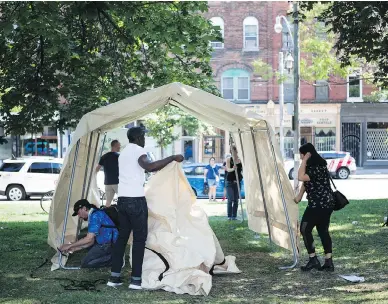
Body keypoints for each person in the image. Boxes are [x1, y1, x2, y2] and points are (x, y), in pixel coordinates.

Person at [107, 126, 184, 290]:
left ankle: (114, 277)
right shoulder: (137, 151)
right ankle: (135, 280)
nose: (144, 139)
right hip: (136, 201)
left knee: (122, 238)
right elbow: (150, 167)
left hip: (122, 200)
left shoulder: (124, 153)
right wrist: (172, 157)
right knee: (139, 240)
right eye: (143, 136)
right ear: (138, 137)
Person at [294, 143, 335, 272]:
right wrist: (299, 196)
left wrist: (305, 160)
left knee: (305, 229)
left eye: (302, 155)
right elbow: (307, 183)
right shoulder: (319, 165)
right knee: (323, 231)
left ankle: (313, 259)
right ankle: (328, 262)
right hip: (326, 204)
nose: (301, 158)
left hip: (318, 204)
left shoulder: (316, 167)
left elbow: (300, 177)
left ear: (307, 154)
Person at [58, 199, 118, 268]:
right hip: (105, 241)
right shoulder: (94, 214)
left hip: (109, 244)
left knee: (86, 263)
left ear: (84, 208)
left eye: (78, 213)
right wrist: (75, 248)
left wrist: (70, 246)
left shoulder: (95, 216)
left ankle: (114, 259)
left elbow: (89, 239)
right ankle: (111, 255)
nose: (79, 216)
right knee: (82, 239)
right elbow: (91, 241)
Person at [96, 140, 121, 207]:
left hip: (107, 183)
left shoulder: (104, 156)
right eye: (119, 146)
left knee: (108, 202)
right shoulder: (119, 156)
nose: (120, 147)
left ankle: (107, 215)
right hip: (117, 182)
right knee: (122, 200)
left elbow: (97, 168)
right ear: (115, 146)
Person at [225, 146, 243, 220]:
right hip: (230, 182)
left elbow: (242, 170)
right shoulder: (229, 159)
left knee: (236, 200)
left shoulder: (240, 160)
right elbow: (228, 169)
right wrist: (233, 168)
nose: (233, 153)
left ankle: (234, 216)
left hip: (238, 182)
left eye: (234, 151)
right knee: (230, 199)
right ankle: (229, 216)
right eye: (232, 151)